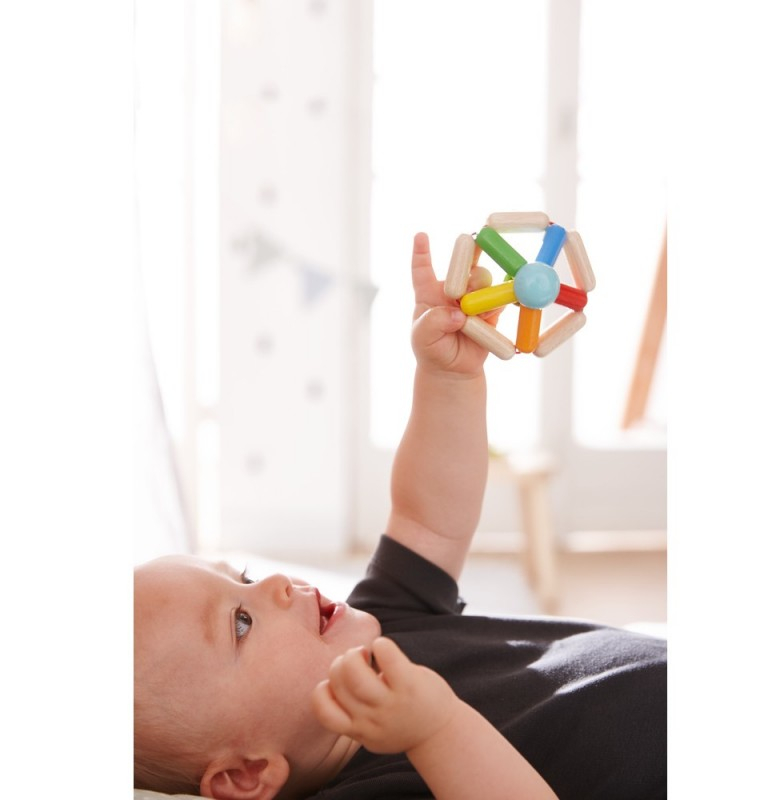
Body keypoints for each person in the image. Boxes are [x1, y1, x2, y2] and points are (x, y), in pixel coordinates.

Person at [134, 233, 667, 800]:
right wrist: (435, 731)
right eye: (241, 622)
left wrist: (447, 379)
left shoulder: (381, 624)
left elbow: (426, 519)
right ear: (246, 774)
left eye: (243, 576)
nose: (275, 584)